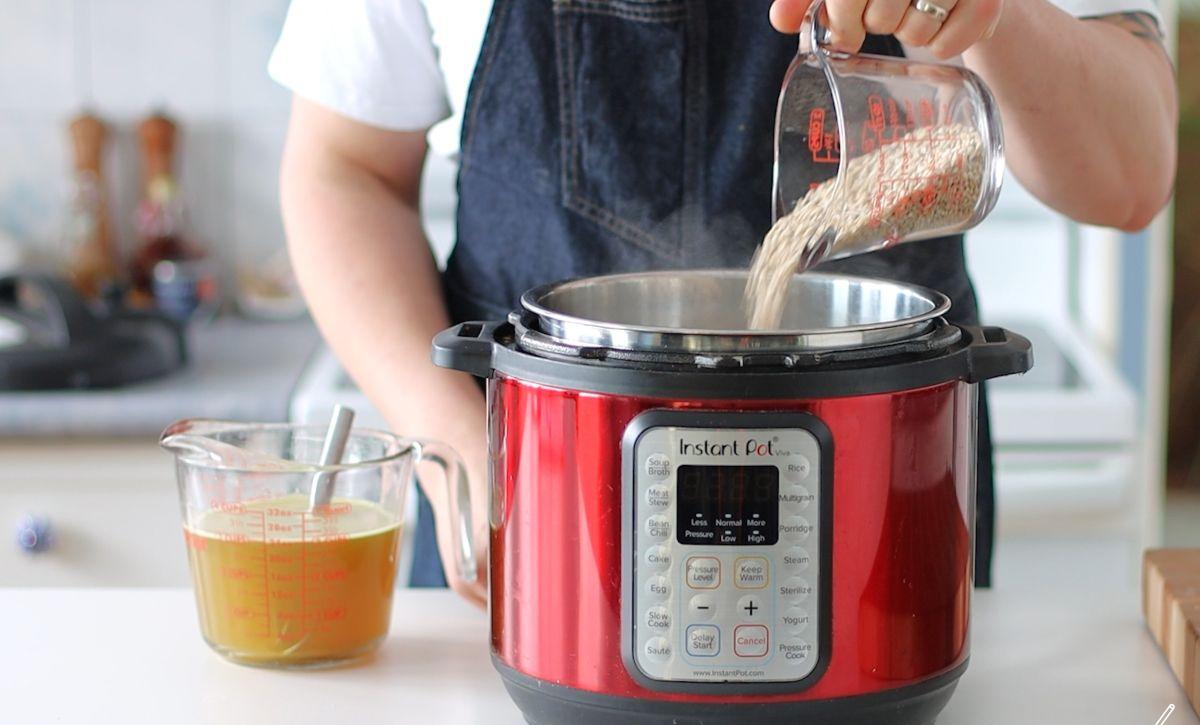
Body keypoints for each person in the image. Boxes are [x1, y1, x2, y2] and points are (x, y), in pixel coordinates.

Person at [270, 0, 1176, 604]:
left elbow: (1131, 175)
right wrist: (457, 453)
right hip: (529, 506)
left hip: (879, 508)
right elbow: (343, 171)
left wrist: (994, 16)